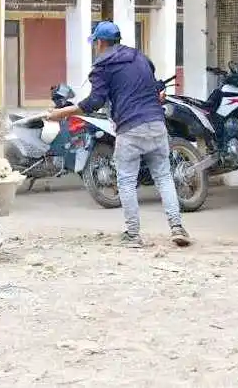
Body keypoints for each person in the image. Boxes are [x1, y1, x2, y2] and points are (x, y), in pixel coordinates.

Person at [45, 21, 191, 248]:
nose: (95, 47)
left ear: (101, 42)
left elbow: (94, 102)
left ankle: (133, 235)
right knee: (163, 177)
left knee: (126, 181)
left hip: (130, 128)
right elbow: (153, 87)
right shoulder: (140, 58)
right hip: (156, 123)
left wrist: (62, 113)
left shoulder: (103, 67)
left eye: (96, 43)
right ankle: (177, 227)